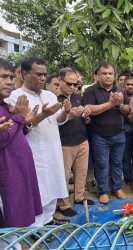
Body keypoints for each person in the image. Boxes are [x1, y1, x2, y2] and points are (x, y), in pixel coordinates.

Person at [6, 57, 70, 226]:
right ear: (25, 74)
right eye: (39, 74)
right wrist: (43, 115)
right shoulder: (15, 97)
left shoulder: (50, 94)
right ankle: (36, 227)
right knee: (39, 189)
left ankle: (48, 219)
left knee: (54, 183)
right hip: (34, 151)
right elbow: (18, 128)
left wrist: (65, 113)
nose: (43, 78)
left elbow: (58, 120)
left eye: (45, 75)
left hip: (53, 148)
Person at [0, 58, 42, 235]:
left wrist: (25, 122)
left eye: (10, 77)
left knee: (18, 219)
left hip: (18, 168)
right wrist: (19, 117)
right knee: (9, 217)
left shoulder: (5, 106)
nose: (10, 82)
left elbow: (15, 132)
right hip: (7, 171)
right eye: (3, 77)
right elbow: (3, 139)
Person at [82, 61, 129, 204]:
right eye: (104, 73)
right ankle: (103, 191)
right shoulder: (91, 91)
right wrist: (110, 104)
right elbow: (89, 109)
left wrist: (120, 104)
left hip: (119, 134)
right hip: (99, 135)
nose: (108, 76)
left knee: (117, 163)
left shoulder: (120, 90)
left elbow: (127, 110)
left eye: (110, 73)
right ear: (98, 75)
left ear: (114, 75)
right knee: (102, 164)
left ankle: (117, 188)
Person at [56, 68, 94, 216]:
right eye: (69, 84)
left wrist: (86, 116)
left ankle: (79, 197)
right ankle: (64, 204)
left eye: (75, 84)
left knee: (82, 172)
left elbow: (86, 120)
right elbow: (54, 123)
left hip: (82, 140)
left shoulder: (78, 97)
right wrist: (69, 115)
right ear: (60, 81)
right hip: (65, 143)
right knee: (64, 175)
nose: (72, 87)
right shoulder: (54, 99)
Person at [122, 75, 133, 190]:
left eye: (132, 84)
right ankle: (128, 181)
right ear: (124, 85)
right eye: (128, 84)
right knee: (126, 157)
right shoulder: (120, 97)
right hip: (124, 131)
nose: (130, 87)